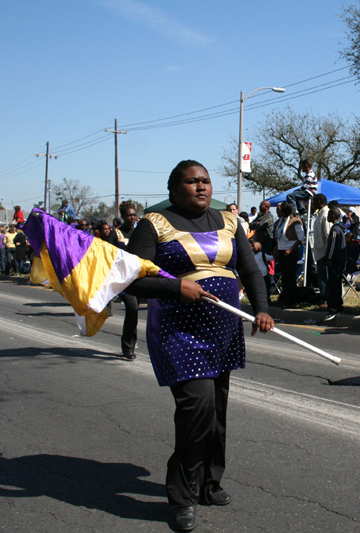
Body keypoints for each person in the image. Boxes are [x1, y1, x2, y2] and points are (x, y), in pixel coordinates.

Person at [121, 160, 272, 532]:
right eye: (192, 182)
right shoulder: (153, 224)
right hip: (179, 331)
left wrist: (263, 309)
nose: (202, 187)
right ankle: (183, 497)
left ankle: (209, 482)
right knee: (197, 410)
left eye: (205, 181)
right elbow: (131, 279)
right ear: (174, 189)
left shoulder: (230, 221)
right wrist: (177, 286)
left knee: (217, 412)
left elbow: (250, 270)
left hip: (223, 329)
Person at [275, 202, 305, 309]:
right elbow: (278, 237)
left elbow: (301, 238)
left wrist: (290, 250)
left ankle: (291, 299)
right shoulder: (281, 221)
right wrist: (276, 250)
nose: (279, 212)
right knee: (284, 277)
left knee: (290, 277)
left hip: (290, 251)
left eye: (281, 210)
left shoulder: (295, 221)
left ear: (286, 211)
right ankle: (285, 298)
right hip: (281, 250)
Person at [323, 207, 346, 322]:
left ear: (333, 216)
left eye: (328, 215)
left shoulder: (335, 229)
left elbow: (332, 246)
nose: (327, 217)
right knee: (335, 284)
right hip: (339, 261)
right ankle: (338, 305)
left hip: (336, 262)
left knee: (333, 285)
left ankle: (334, 308)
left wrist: (329, 258)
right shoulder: (340, 228)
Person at [311, 194, 330, 304]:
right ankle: (323, 297)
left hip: (324, 252)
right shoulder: (320, 214)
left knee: (325, 279)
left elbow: (327, 235)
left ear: (318, 201)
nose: (312, 204)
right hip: (319, 252)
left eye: (313, 201)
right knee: (321, 278)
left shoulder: (326, 214)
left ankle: (326, 299)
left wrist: (328, 253)